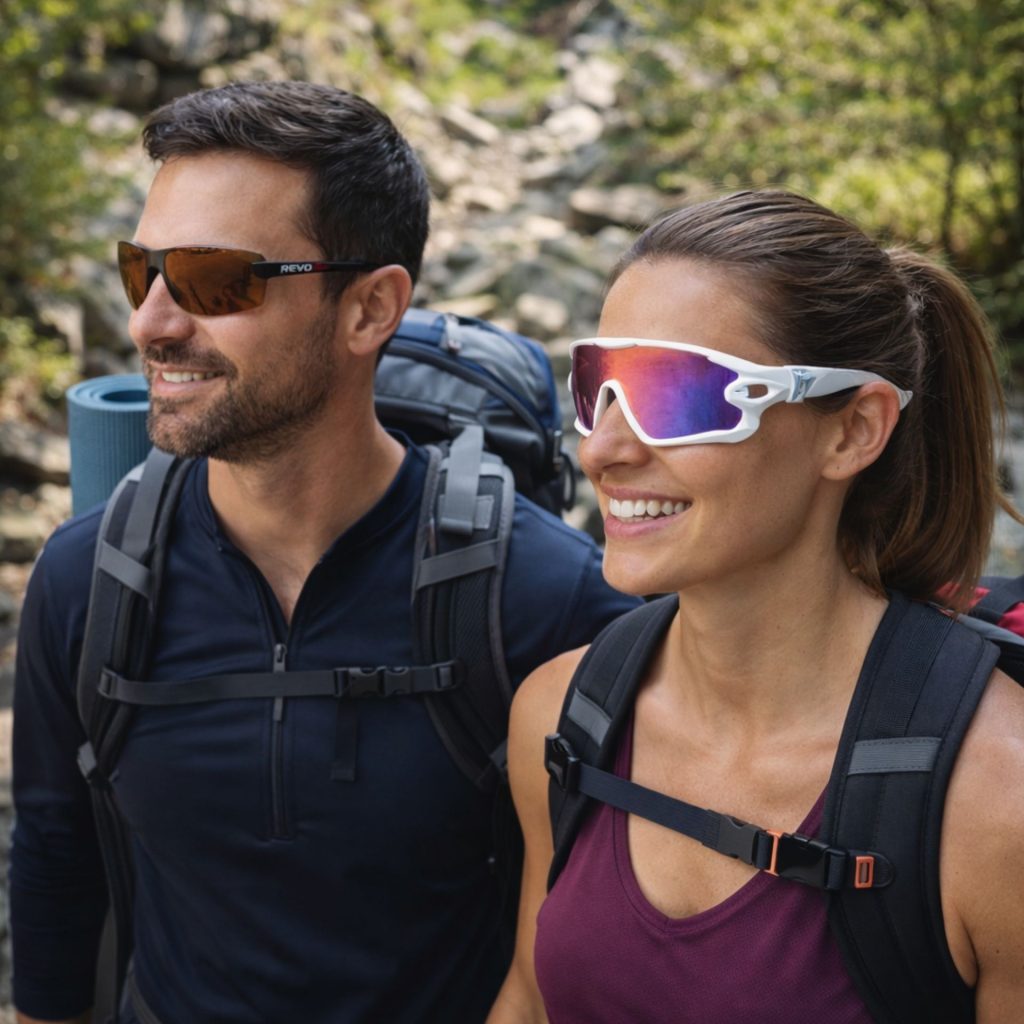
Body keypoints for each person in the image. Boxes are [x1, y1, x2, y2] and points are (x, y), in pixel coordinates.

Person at [9, 81, 639, 1024]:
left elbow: (598, 945)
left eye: (216, 280)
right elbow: (57, 869)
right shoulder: (90, 582)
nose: (151, 323)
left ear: (370, 310)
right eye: (143, 271)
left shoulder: (539, 600)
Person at [488, 190, 1024, 1023]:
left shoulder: (998, 797)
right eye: (602, 384)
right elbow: (529, 997)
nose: (604, 448)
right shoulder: (563, 717)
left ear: (852, 431)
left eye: (680, 395)